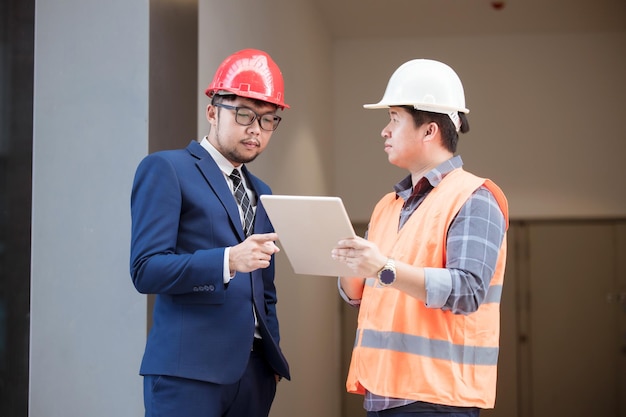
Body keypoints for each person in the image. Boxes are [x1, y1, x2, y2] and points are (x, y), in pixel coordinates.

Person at [332, 58, 509, 417]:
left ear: (429, 131)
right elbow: (360, 296)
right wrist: (347, 262)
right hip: (382, 394)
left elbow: (467, 290)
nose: (385, 131)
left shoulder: (475, 197)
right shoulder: (387, 206)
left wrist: (383, 267)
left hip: (438, 399)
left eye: (394, 118)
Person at [130, 48, 290, 417]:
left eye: (268, 120)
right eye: (245, 114)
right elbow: (146, 269)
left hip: (254, 375)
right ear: (213, 111)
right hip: (188, 374)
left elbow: (265, 289)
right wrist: (228, 260)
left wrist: (272, 357)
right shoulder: (167, 169)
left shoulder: (263, 192)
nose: (256, 129)